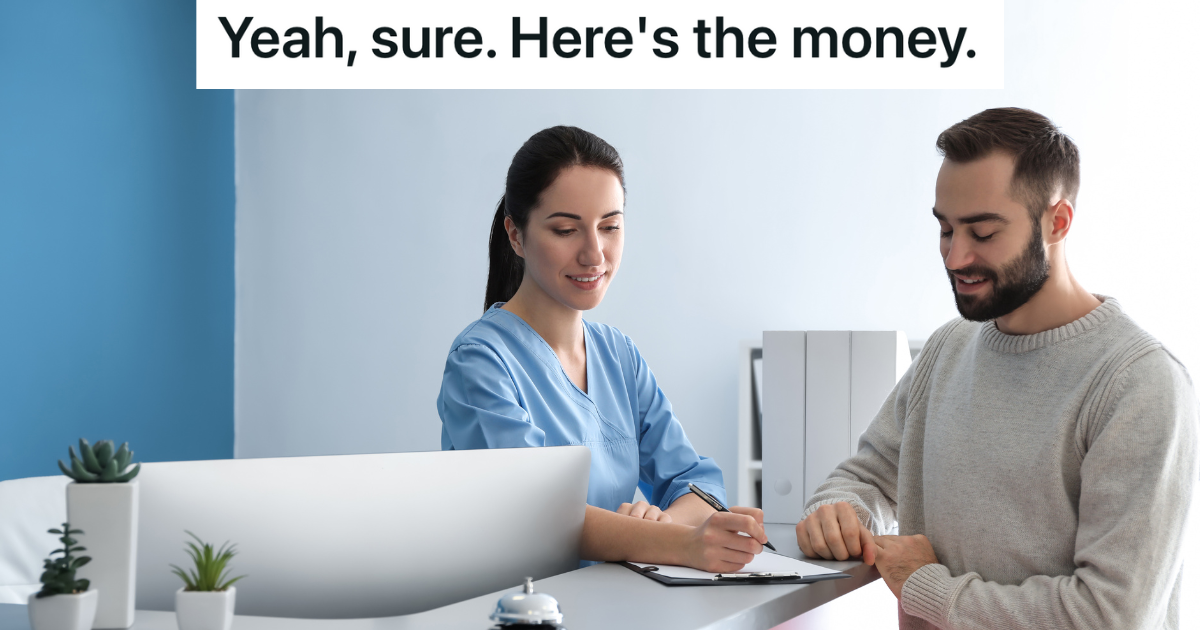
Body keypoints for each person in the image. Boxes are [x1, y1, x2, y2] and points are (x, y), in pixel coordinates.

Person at [795, 108, 1197, 629]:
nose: (955, 257)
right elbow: (866, 477)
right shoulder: (948, 350)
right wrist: (837, 512)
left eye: (983, 233)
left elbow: (1110, 614)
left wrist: (927, 587)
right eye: (945, 229)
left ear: (1057, 222)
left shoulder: (1139, 384)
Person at [438, 126, 767, 572]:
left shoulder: (619, 357)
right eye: (566, 230)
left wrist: (661, 524)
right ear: (516, 235)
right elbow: (537, 513)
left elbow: (696, 483)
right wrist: (675, 543)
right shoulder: (480, 362)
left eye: (610, 226)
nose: (594, 254)